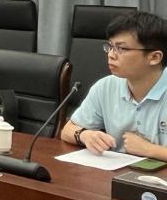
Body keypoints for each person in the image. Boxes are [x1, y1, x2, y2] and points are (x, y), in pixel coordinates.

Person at [61, 11, 167, 162]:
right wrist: (85, 135)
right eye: (110, 47)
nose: (110, 54)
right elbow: (67, 130)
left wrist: (150, 150)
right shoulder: (106, 86)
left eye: (121, 49)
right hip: (118, 172)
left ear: (154, 57)